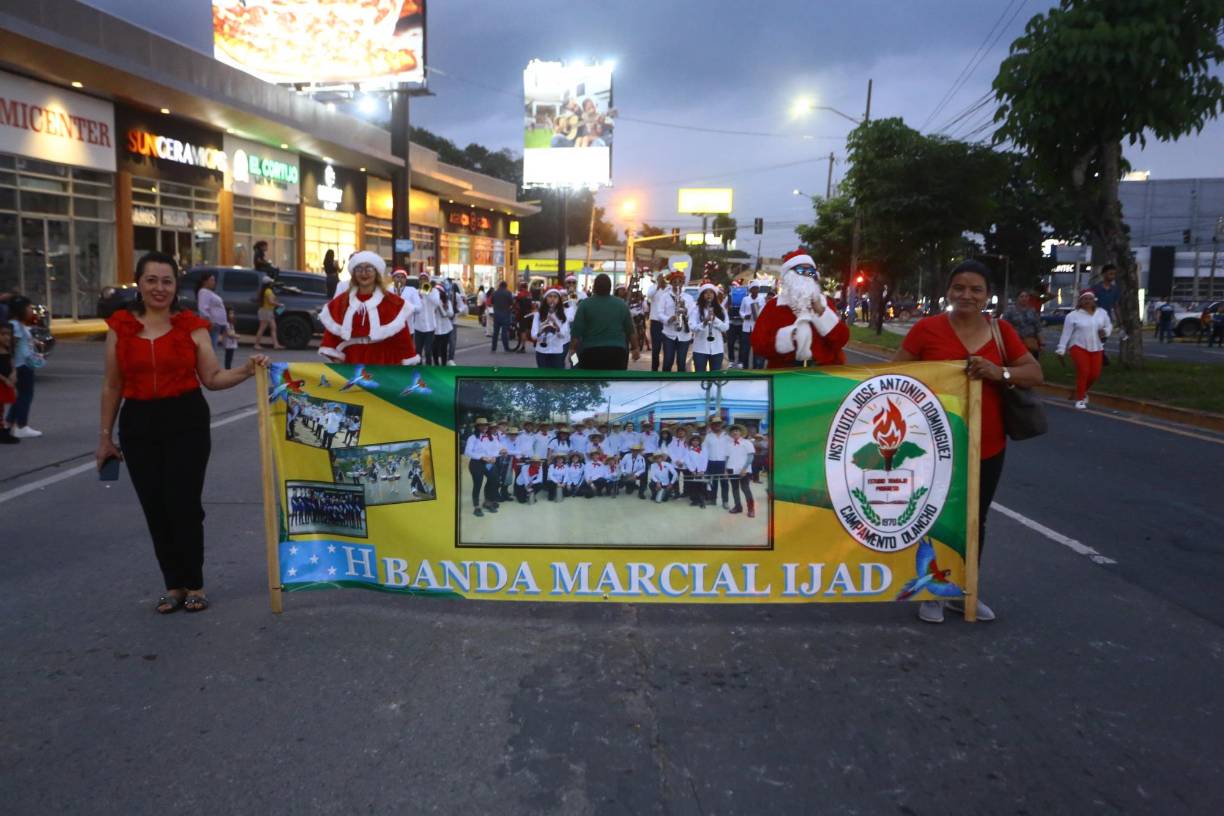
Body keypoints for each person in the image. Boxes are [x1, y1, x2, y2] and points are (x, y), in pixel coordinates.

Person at [96, 251, 269, 614]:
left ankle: (195, 583)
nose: (159, 288)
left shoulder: (192, 326)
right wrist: (105, 437)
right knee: (155, 506)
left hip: (185, 420)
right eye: (151, 280)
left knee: (184, 504)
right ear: (139, 283)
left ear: (176, 286)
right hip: (138, 422)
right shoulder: (120, 326)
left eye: (167, 281)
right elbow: (112, 385)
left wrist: (246, 370)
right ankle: (173, 585)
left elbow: (212, 378)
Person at [893, 259, 1043, 624]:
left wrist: (999, 371)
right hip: (934, 445)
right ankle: (933, 591)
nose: (967, 295)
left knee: (976, 519)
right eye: (959, 287)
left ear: (987, 295)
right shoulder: (926, 330)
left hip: (987, 445)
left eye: (976, 289)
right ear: (948, 292)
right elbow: (894, 374)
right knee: (936, 516)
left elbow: (1034, 373)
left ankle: (964, 589)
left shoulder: (1000, 331)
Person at [318, 251, 421, 365]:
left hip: (384, 363)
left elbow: (403, 340)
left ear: (376, 272)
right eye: (359, 269)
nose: (364, 273)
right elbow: (330, 338)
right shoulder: (341, 302)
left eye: (369, 268)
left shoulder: (392, 302)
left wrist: (406, 363)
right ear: (354, 273)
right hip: (352, 361)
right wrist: (338, 363)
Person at [751, 249, 849, 368]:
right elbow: (758, 345)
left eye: (811, 272)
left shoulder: (825, 303)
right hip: (786, 373)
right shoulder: (773, 307)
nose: (807, 275)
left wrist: (822, 313)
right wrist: (789, 336)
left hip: (822, 373)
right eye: (802, 270)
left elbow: (841, 340)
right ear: (788, 275)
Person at [1056, 289, 1112, 409]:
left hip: (1097, 347)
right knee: (1084, 371)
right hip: (1078, 346)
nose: (1087, 301)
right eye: (1084, 299)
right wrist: (1061, 349)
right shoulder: (1072, 316)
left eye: (1090, 299)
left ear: (1094, 300)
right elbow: (1066, 333)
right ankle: (1080, 399)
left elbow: (1108, 326)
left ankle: (1082, 391)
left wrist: (1105, 332)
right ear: (1080, 301)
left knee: (1095, 374)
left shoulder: (1102, 313)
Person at [571, 273, 638, 370]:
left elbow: (576, 331)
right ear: (610, 288)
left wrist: (572, 351)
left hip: (590, 352)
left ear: (594, 287)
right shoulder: (621, 304)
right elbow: (630, 329)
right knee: (616, 378)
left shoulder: (584, 304)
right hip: (617, 352)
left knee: (588, 377)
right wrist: (635, 348)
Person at [5, 295, 43, 438]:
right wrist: (12, 368)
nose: (31, 310)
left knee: (22, 394)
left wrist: (34, 342)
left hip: (25, 364)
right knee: (25, 395)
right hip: (21, 365)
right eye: (28, 307)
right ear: (21, 309)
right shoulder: (15, 325)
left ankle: (10, 422)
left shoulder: (18, 324)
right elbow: (11, 347)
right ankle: (21, 425)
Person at [462, 417, 501, 517]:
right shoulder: (472, 438)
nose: (484, 427)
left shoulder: (492, 437)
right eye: (482, 425)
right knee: (477, 484)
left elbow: (497, 449)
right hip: (476, 464)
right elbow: (467, 452)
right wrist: (481, 457)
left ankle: (487, 502)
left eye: (486, 425)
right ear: (477, 426)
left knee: (494, 479)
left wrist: (495, 457)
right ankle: (477, 507)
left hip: (488, 463)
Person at [658, 271, 696, 372]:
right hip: (669, 334)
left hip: (684, 334)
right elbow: (659, 313)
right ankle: (665, 380)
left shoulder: (688, 298)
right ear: (671, 283)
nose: (677, 284)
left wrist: (685, 310)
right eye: (675, 282)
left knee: (681, 362)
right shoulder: (665, 297)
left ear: (683, 283)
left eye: (680, 282)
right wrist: (669, 319)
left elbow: (693, 314)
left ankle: (680, 382)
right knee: (668, 361)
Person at [689, 284, 730, 372]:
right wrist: (704, 323)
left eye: (711, 292)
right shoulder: (696, 309)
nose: (709, 295)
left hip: (717, 349)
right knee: (700, 375)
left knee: (715, 376)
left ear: (714, 295)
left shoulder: (721, 309)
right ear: (702, 295)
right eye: (706, 293)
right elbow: (692, 327)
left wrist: (715, 319)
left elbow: (725, 327)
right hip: (700, 349)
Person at [532, 288, 571, 368]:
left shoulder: (563, 315)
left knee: (557, 374)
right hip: (542, 351)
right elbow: (533, 336)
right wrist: (542, 329)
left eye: (555, 297)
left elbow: (563, 335)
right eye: (550, 296)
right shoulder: (538, 315)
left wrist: (556, 325)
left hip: (557, 351)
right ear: (545, 299)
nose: (552, 299)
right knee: (542, 374)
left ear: (559, 300)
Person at [408, 273, 440, 365]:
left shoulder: (434, 291)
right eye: (421, 279)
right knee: (418, 351)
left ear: (428, 280)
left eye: (425, 279)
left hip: (430, 327)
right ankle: (420, 369)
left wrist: (427, 292)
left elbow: (436, 303)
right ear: (419, 281)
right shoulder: (416, 292)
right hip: (418, 327)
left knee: (428, 351)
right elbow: (412, 306)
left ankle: (428, 369)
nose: (423, 280)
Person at [725, 424, 756, 517]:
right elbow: (727, 458)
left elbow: (750, 457)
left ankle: (751, 509)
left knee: (745, 488)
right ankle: (738, 507)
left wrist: (744, 469)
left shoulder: (747, 443)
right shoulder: (729, 444)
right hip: (731, 469)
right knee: (734, 489)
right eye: (733, 431)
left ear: (741, 432)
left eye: (737, 431)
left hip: (744, 470)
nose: (735, 432)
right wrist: (725, 470)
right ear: (731, 433)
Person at [1003, 290, 1043, 359]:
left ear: (1028, 298)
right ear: (1017, 298)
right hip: (1015, 342)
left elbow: (1038, 328)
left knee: (1032, 361)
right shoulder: (1010, 310)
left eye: (1026, 296)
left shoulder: (1032, 311)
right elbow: (1004, 326)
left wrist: (1042, 343)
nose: (1024, 298)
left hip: (1031, 342)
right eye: (1021, 296)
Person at [195, 271, 227, 349]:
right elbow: (203, 308)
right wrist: (209, 322)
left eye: (214, 280)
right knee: (211, 347)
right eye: (211, 280)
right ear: (205, 281)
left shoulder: (209, 292)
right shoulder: (203, 292)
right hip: (212, 324)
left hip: (216, 325)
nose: (214, 282)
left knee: (213, 346)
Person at [738, 282, 768, 369]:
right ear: (750, 290)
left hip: (757, 327)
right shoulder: (745, 299)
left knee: (756, 350)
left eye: (757, 288)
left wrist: (759, 316)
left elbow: (764, 311)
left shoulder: (762, 299)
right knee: (745, 349)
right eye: (753, 288)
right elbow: (741, 311)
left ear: (759, 289)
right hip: (746, 328)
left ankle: (755, 368)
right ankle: (745, 367)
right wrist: (744, 316)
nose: (755, 290)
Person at [646, 270, 669, 371]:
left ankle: (666, 370)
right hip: (655, 322)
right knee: (656, 348)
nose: (662, 279)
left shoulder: (669, 289)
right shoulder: (653, 287)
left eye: (664, 277)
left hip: (667, 323)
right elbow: (649, 295)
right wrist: (658, 286)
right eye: (660, 277)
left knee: (667, 348)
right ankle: (654, 370)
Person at [253, 277, 284, 350]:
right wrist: (279, 305)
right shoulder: (268, 291)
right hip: (267, 311)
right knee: (262, 328)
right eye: (271, 282)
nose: (272, 284)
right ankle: (256, 344)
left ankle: (276, 345)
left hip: (267, 311)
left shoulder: (264, 290)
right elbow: (271, 302)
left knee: (273, 327)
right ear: (269, 283)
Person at [0, 322, 17, 443]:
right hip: (2, 382)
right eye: (3, 334)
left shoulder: (7, 350)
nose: (7, 337)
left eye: (8, 334)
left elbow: (12, 364)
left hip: (6, 382)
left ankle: (2, 428)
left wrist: (13, 374)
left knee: (1, 408)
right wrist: (5, 379)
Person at [490, 281, 515, 352]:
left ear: (499, 286)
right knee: (504, 332)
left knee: (495, 332)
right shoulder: (508, 293)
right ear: (505, 286)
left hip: (496, 315)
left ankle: (493, 347)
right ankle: (506, 348)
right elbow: (511, 302)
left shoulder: (495, 293)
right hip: (505, 315)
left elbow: (491, 302)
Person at [514, 284, 535, 353]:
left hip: (523, 315)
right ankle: (535, 341)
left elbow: (515, 303)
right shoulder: (529, 294)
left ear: (522, 287)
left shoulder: (520, 294)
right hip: (530, 314)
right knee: (529, 329)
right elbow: (532, 304)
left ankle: (523, 347)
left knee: (523, 331)